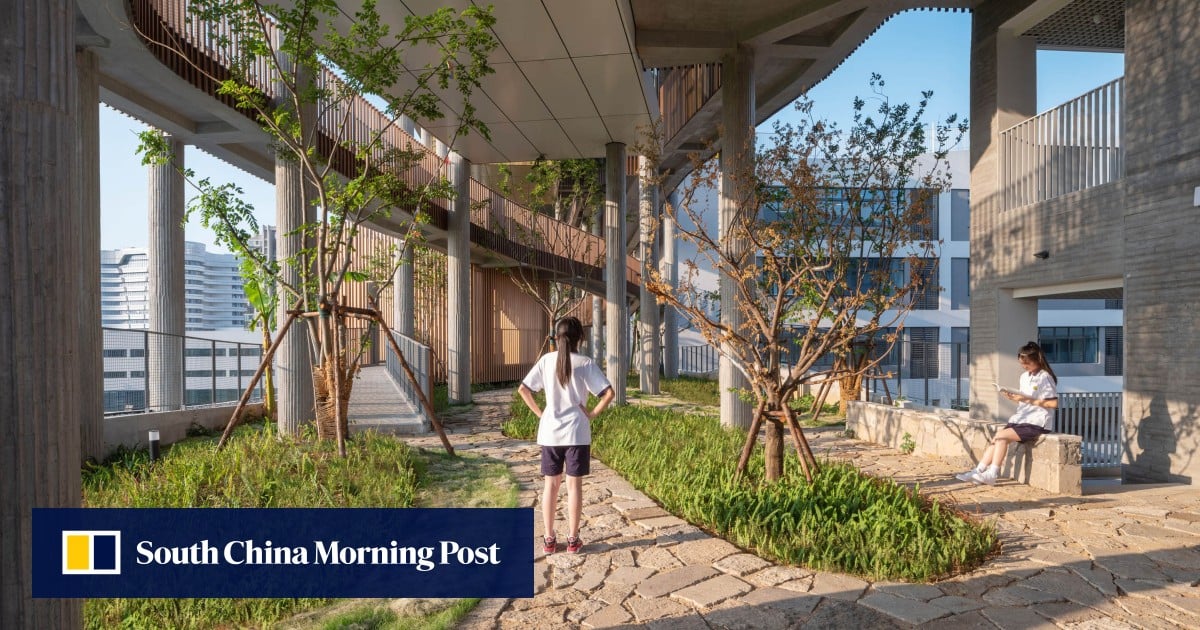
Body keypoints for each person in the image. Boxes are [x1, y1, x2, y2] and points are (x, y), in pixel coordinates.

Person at [518, 316, 614, 554]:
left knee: (550, 486)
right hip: (576, 432)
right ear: (580, 337)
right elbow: (608, 393)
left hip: (550, 432)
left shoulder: (546, 361)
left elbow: (523, 389)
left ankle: (549, 540)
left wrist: (542, 413)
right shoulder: (584, 362)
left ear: (556, 337)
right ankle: (573, 540)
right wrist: (591, 414)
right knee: (574, 486)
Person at [957, 341, 1058, 486]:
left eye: (1027, 364)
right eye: (1022, 364)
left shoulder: (1045, 377)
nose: (1024, 367)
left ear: (1037, 360)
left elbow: (1053, 404)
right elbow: (1025, 401)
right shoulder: (1024, 377)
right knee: (996, 439)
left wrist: (1025, 399)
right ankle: (978, 471)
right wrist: (1014, 398)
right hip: (1021, 418)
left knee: (1000, 436)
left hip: (1037, 422)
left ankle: (992, 474)